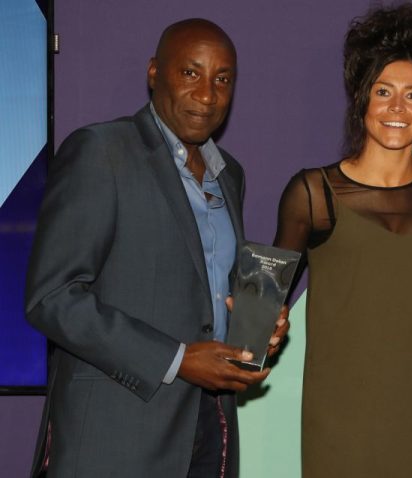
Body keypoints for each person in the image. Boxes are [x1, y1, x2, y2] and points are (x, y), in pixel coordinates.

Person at [25, 18, 288, 477]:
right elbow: (51, 298)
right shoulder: (102, 150)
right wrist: (177, 359)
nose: (207, 95)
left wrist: (256, 325)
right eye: (190, 73)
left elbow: (205, 293)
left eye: (222, 79)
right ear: (154, 72)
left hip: (209, 429)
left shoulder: (230, 174)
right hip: (116, 437)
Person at [273, 4, 412, 477]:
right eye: (383, 92)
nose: (397, 108)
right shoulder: (312, 193)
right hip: (345, 421)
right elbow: (263, 303)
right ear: (362, 98)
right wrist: (250, 329)